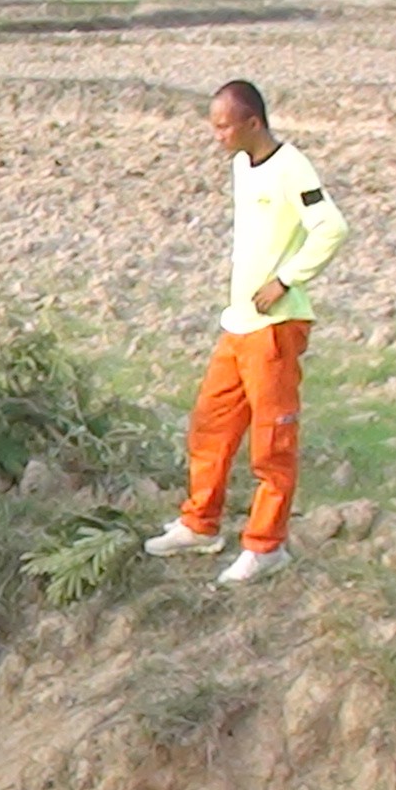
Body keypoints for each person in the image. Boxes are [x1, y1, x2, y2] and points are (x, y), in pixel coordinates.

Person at [144, 80, 351, 584]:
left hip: (275, 326)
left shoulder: (291, 167)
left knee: (271, 440)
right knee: (211, 424)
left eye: (223, 125)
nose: (216, 136)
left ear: (252, 123)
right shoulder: (241, 165)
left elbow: (332, 227)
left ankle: (266, 545)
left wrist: (285, 280)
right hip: (238, 323)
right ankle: (199, 524)